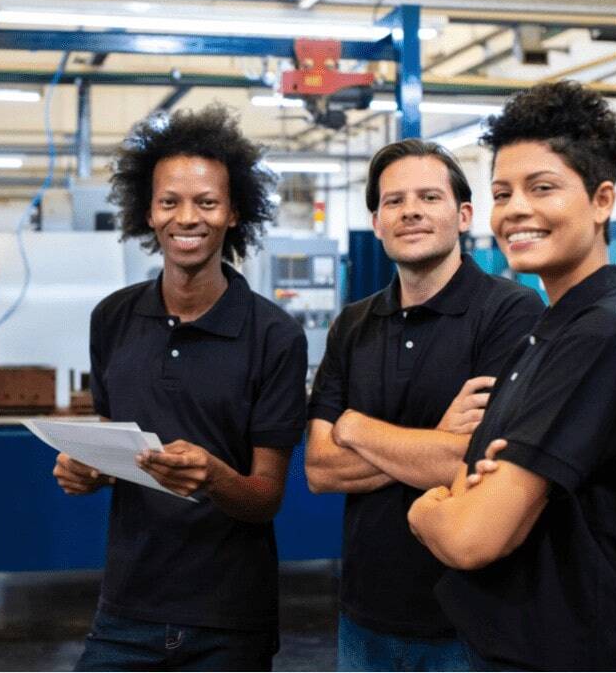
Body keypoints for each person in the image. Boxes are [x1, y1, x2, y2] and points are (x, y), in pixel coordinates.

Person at [408, 81, 616, 671]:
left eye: (543, 187)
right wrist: (471, 496)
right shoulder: (552, 329)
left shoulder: (604, 337)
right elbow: (476, 481)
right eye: (503, 192)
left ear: (602, 200)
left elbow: (473, 536)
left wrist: (427, 510)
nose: (516, 210)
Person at [53, 104, 308, 672]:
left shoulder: (276, 336)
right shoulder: (112, 318)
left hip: (228, 619)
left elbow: (266, 498)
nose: (186, 218)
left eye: (206, 202)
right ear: (148, 212)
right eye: (170, 201)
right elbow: (115, 444)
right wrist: (86, 469)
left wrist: (214, 476)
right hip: (126, 607)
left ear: (234, 212)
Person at [305, 139, 543, 671]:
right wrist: (438, 438)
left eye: (428, 197)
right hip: (364, 617)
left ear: (462, 215)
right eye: (394, 201)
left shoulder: (511, 312)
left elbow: (480, 464)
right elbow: (319, 469)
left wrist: (357, 426)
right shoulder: (353, 324)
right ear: (376, 221)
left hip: (471, 620)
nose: (410, 210)